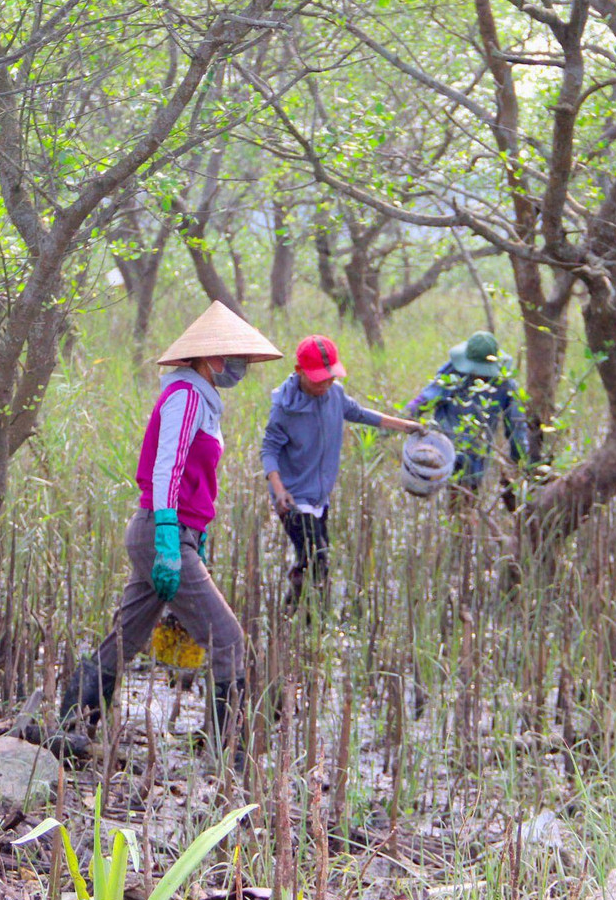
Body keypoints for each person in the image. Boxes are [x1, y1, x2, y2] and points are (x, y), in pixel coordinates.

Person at [57, 301, 283, 765]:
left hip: (173, 531)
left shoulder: (200, 398)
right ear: (211, 356)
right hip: (160, 530)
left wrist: (189, 536)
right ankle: (228, 754)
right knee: (228, 639)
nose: (237, 366)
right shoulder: (186, 396)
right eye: (232, 356)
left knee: (127, 637)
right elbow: (168, 466)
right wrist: (167, 536)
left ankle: (72, 727)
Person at [261, 334, 423, 611]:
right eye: (318, 379)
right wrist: (279, 490)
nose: (325, 384)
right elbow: (269, 450)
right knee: (318, 558)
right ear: (299, 372)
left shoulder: (334, 394)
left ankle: (296, 616)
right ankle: (305, 620)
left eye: (330, 377)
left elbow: (358, 413)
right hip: (293, 498)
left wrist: (405, 425)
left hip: (319, 496)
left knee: (312, 560)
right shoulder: (284, 409)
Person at [404, 331, 529, 498]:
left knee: (467, 498)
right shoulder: (452, 373)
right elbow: (425, 399)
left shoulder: (505, 384)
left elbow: (516, 425)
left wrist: (522, 459)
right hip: (444, 451)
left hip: (477, 456)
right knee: (445, 497)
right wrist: (396, 422)